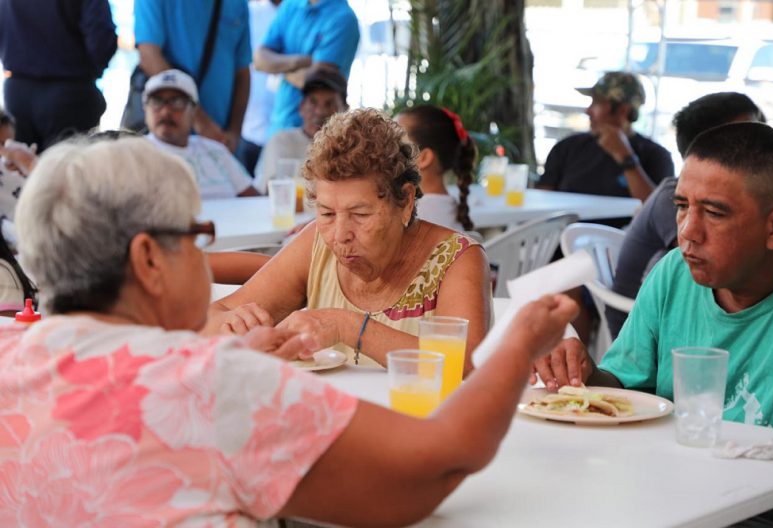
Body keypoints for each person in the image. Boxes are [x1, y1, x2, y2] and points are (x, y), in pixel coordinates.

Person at [4, 134, 579, 526]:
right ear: (150, 260)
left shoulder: (10, 354)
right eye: (196, 235)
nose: (206, 257)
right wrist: (522, 341)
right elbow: (436, 463)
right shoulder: (212, 384)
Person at [531, 122, 773, 434]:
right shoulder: (674, 272)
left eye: (714, 213)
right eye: (682, 206)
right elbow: (623, 386)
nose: (688, 231)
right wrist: (583, 372)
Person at [211, 108, 492, 371]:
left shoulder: (457, 259)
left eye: (360, 214)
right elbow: (212, 316)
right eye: (327, 213)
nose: (340, 235)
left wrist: (348, 327)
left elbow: (469, 365)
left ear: (406, 201)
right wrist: (231, 324)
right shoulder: (316, 244)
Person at [606, 92, 765, 338]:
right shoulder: (676, 197)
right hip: (643, 325)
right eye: (748, 136)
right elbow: (711, 262)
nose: (764, 143)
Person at [537, 71, 674, 203]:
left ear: (623, 110)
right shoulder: (567, 147)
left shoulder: (656, 156)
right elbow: (541, 200)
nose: (588, 111)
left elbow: (658, 210)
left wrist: (626, 158)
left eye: (597, 103)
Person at [134, 0, 251, 152]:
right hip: (168, 136)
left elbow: (242, 72)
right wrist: (201, 122)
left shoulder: (237, 3)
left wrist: (235, 132)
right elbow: (149, 55)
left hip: (220, 141)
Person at [0, 0, 117, 150]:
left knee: (21, 161)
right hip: (70, 93)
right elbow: (101, 40)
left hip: (18, 92)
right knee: (68, 163)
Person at [143, 69, 259, 199]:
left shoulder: (215, 151)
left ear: (194, 111)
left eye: (177, 102)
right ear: (145, 109)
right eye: (156, 102)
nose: (166, 111)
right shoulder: (134, 156)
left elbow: (256, 199)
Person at [254, 0, 359, 141]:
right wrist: (299, 61)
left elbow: (317, 80)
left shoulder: (343, 18)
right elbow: (259, 60)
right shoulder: (290, 5)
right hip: (279, 126)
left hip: (319, 134)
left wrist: (277, 65)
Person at [253, 68, 348, 193]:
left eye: (329, 104)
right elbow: (271, 190)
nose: (320, 112)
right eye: (313, 102)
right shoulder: (281, 141)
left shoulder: (351, 148)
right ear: (301, 107)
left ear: (345, 109)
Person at [396, 104, 476, 232]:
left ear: (423, 158)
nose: (385, 150)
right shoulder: (449, 208)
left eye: (395, 143)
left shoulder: (410, 216)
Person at [237, 0, 282, 175]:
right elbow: (256, 62)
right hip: (248, 129)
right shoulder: (250, 12)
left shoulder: (299, 12)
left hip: (287, 130)